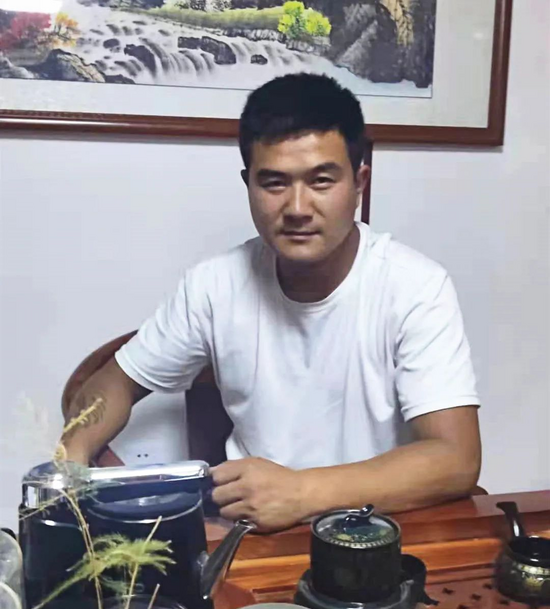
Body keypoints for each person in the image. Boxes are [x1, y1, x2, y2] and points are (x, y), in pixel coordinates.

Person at [63, 73, 481, 532]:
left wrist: (302, 493)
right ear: (249, 184)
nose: (298, 207)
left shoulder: (415, 286)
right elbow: (114, 383)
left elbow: (455, 459)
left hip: (374, 532)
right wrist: (75, 464)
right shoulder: (214, 285)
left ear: (359, 182)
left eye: (321, 180)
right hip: (252, 534)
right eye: (274, 183)